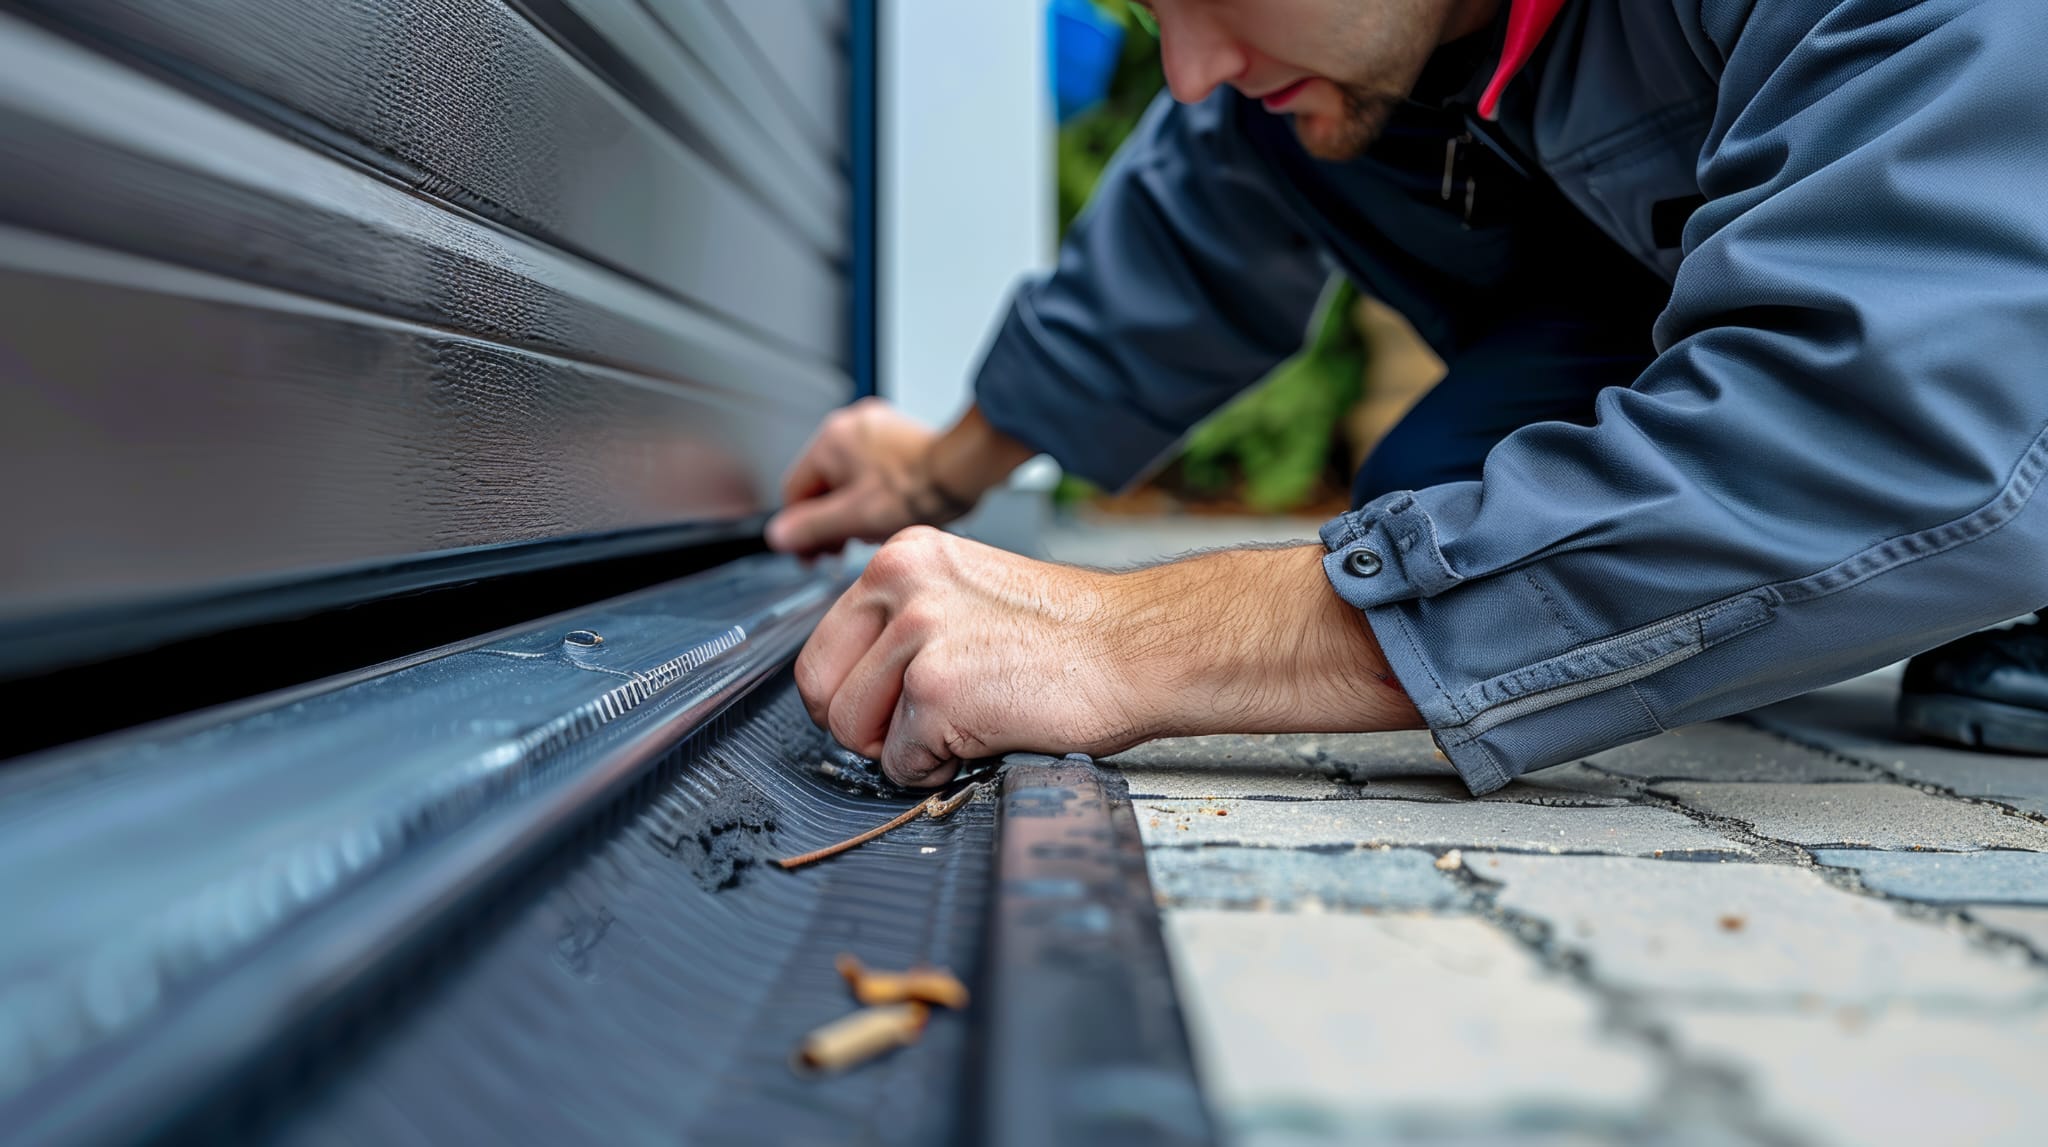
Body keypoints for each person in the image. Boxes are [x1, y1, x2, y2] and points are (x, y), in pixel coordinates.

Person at [765, 0, 2048, 791]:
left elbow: (1884, 409)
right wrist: (934, 474)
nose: (1193, 65)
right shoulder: (1335, 42)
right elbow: (1184, 230)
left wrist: (1129, 639)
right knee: (1426, 513)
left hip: (1993, 322)